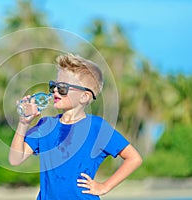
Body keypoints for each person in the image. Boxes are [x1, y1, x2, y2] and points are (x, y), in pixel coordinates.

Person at [9, 53, 142, 200]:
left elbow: (134, 158)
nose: (55, 91)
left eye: (63, 88)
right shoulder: (46, 125)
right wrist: (23, 123)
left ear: (84, 97)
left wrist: (104, 186)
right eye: (53, 86)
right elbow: (15, 159)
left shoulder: (96, 128)